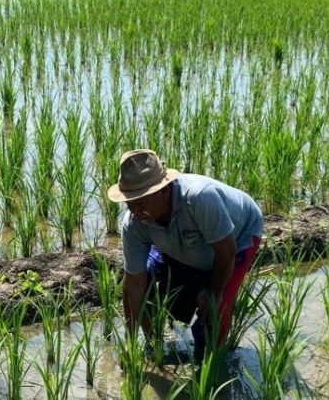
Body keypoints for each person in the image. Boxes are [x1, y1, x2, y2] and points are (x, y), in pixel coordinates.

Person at [107, 149, 263, 360]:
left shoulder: (200, 198)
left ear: (163, 190)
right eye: (129, 203)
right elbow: (134, 283)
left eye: (140, 202)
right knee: (148, 288)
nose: (134, 210)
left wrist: (214, 293)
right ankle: (156, 348)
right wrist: (130, 343)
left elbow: (226, 253)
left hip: (237, 238)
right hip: (185, 241)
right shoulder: (135, 222)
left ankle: (209, 366)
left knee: (211, 320)